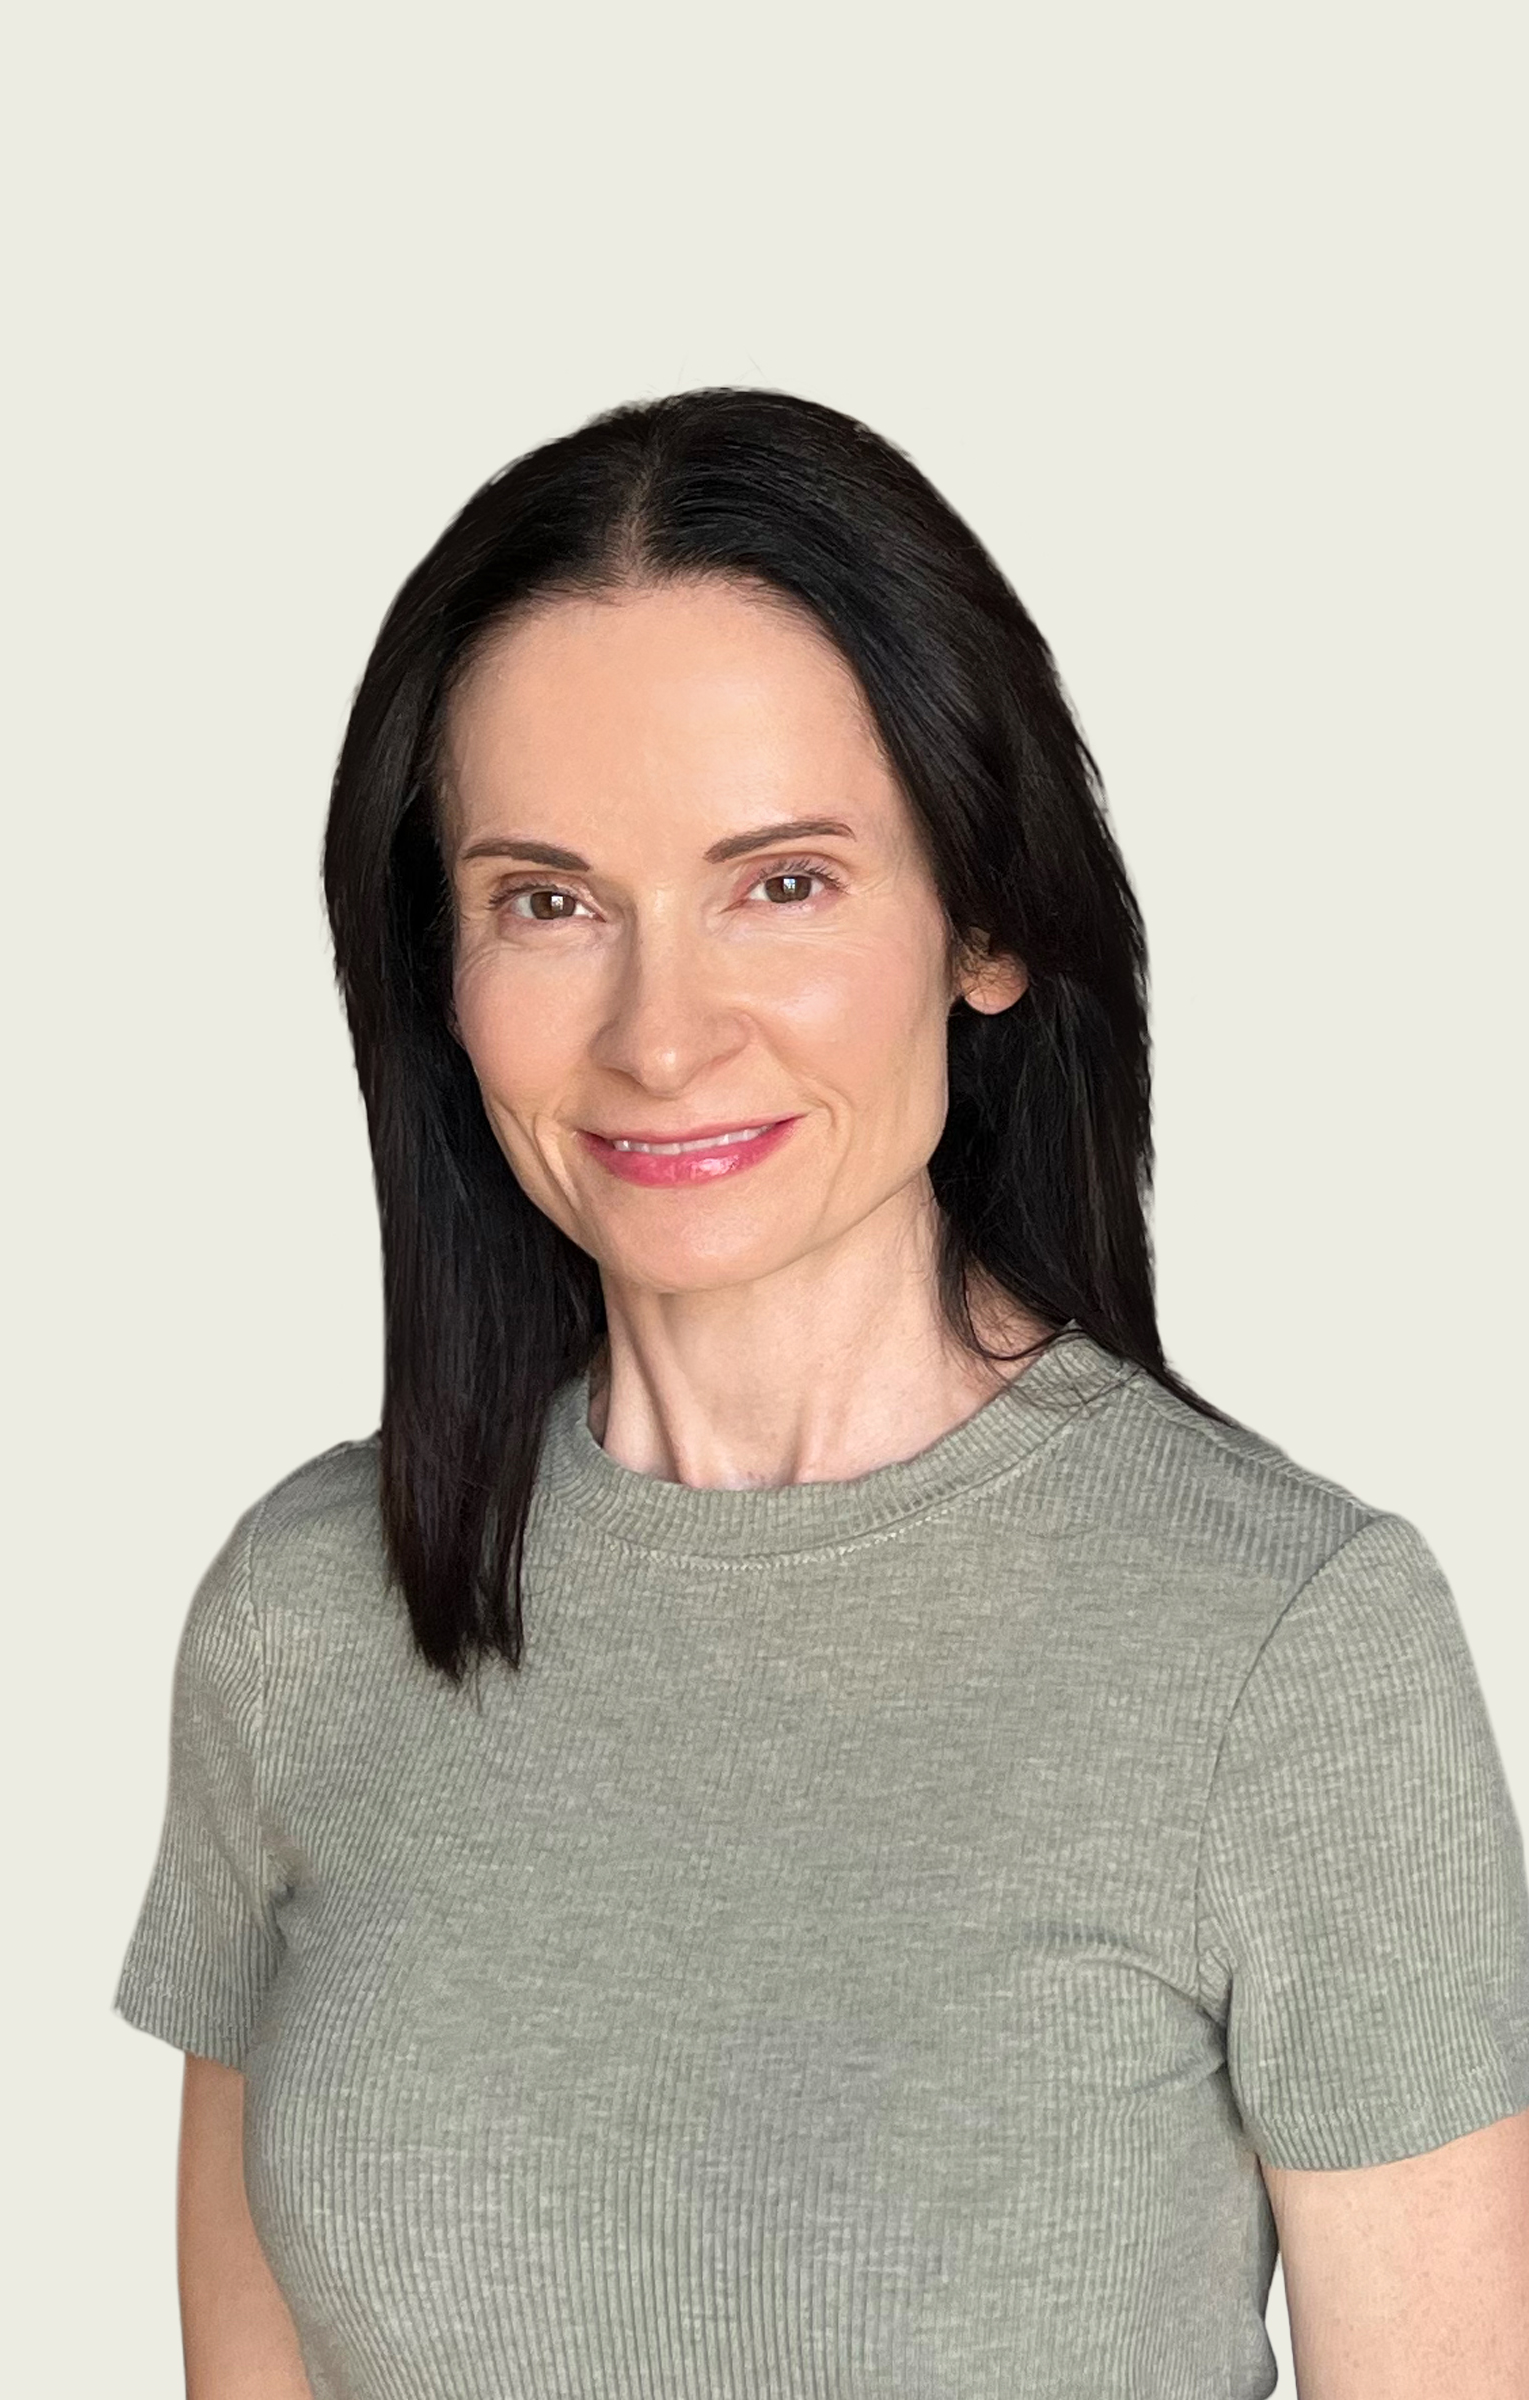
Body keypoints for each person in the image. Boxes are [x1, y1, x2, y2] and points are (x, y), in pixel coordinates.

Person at [113, 389, 1529, 2399]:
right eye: (546, 900)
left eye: (778, 882)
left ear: (982, 919)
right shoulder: (306, 1618)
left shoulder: (1289, 1651)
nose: (659, 1035)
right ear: (437, 966)